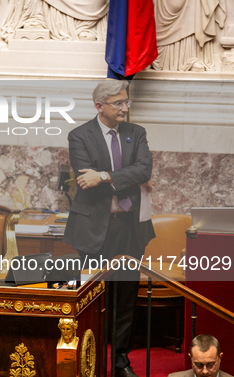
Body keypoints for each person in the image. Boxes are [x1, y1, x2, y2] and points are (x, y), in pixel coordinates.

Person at [62, 79, 155, 377]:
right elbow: (85, 182)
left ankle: (120, 363)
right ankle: (90, 362)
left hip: (130, 228)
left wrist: (103, 175)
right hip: (95, 229)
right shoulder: (79, 135)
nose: (124, 108)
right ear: (99, 106)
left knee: (126, 298)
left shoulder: (136, 133)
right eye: (118, 103)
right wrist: (120, 179)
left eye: (126, 102)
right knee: (93, 299)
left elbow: (145, 169)